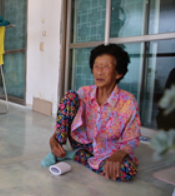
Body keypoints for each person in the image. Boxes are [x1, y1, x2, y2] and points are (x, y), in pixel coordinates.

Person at [45, 44, 141, 181]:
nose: (99, 72)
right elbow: (65, 119)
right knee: (70, 97)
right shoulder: (84, 92)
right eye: (96, 66)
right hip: (82, 141)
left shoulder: (128, 101)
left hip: (107, 150)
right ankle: (57, 150)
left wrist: (120, 154)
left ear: (119, 73)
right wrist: (53, 139)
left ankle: (75, 155)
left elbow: (132, 138)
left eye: (106, 67)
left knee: (127, 171)